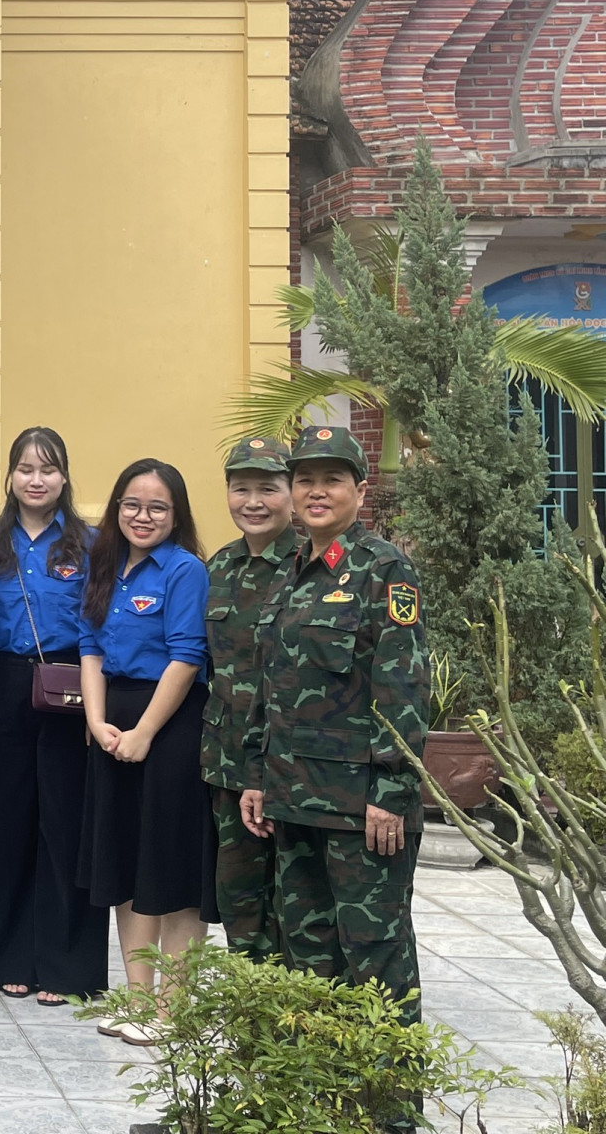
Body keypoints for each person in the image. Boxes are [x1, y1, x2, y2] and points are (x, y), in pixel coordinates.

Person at [240, 425, 429, 1018]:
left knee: (377, 964)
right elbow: (271, 687)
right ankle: (322, 1105)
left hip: (360, 809)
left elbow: (403, 689)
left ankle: (390, 1110)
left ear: (360, 490)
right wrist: (257, 775)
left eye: (332, 480)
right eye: (305, 481)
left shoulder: (387, 572)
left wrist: (391, 794)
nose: (316, 492)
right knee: (306, 964)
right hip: (294, 801)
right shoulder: (291, 570)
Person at [75, 458, 214, 1044]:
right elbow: (89, 646)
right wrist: (98, 720)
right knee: (126, 864)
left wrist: (144, 732)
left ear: (176, 514)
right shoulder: (104, 564)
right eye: (132, 505)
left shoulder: (185, 570)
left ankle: (174, 1008)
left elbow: (187, 657)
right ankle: (136, 1001)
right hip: (113, 724)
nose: (142, 516)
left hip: (172, 726)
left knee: (171, 866)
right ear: (116, 508)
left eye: (157, 507)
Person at [0, 427, 108, 1007]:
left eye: (48, 469)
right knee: (9, 824)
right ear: (10, 476)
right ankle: (9, 957)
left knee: (66, 825)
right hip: (0, 684)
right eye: (26, 468)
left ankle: (67, 965)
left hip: (71, 687)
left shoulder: (92, 544)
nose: (36, 480)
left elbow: (101, 623)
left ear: (64, 477)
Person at [203, 437, 299, 961]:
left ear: (291, 493)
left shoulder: (311, 566)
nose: (254, 501)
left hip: (292, 768)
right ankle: (251, 1012)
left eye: (269, 488)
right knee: (237, 896)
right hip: (226, 762)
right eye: (242, 489)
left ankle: (296, 1018)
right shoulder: (219, 567)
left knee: (294, 900)